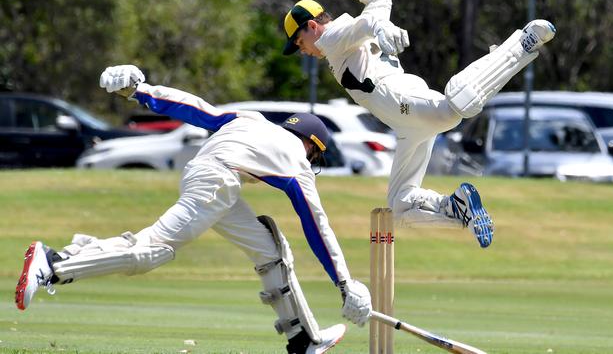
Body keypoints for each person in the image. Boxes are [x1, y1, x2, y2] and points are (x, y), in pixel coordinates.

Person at [15, 65, 372, 354]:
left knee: (270, 249)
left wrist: (140, 89)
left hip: (208, 176)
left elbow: (195, 108)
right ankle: (54, 264)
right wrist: (345, 283)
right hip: (218, 182)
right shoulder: (297, 160)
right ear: (311, 144)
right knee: (152, 251)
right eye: (315, 154)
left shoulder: (252, 120)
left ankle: (304, 339)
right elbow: (316, 225)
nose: (313, 160)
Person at [282, 0, 556, 248]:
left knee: (456, 104)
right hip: (405, 124)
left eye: (299, 42)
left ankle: (521, 44)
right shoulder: (338, 38)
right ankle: (457, 205)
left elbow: (365, 25)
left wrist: (378, 27)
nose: (303, 50)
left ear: (312, 27)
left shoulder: (329, 37)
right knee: (400, 205)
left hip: (399, 100)